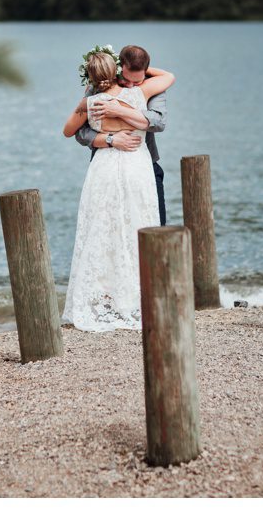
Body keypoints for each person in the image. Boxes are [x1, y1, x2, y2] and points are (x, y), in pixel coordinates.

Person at [59, 48, 175, 331]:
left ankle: (144, 294)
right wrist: (109, 137)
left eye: (140, 78)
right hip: (127, 165)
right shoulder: (141, 92)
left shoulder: (93, 101)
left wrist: (114, 107)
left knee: (138, 228)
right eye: (130, 77)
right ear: (118, 69)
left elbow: (67, 130)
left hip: (118, 169)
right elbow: (81, 135)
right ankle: (119, 298)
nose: (135, 83)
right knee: (114, 227)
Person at [74, 44, 168, 226]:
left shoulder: (154, 87)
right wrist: (110, 140)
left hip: (146, 168)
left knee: (155, 227)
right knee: (107, 229)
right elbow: (79, 131)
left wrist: (118, 110)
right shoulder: (99, 87)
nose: (132, 86)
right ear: (119, 69)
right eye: (126, 79)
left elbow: (159, 123)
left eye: (137, 81)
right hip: (105, 170)